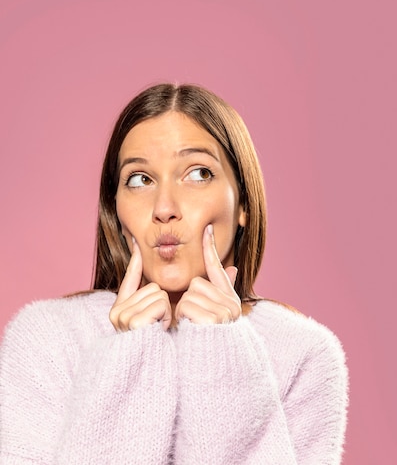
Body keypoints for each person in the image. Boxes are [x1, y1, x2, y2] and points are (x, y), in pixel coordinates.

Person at [0, 84, 348, 464]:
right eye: (139, 179)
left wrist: (222, 352)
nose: (164, 208)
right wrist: (129, 356)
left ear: (243, 201)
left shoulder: (305, 354)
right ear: (115, 210)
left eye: (198, 173)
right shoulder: (48, 339)